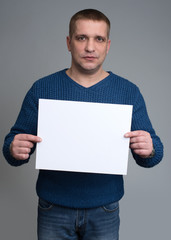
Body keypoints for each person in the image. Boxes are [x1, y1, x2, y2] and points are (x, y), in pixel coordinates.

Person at [3, 9, 163, 240]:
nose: (90, 47)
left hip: (105, 210)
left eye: (98, 39)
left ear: (108, 45)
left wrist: (150, 148)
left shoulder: (128, 92)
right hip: (52, 209)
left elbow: (153, 155)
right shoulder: (42, 89)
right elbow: (13, 147)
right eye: (81, 38)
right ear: (69, 43)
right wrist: (13, 148)